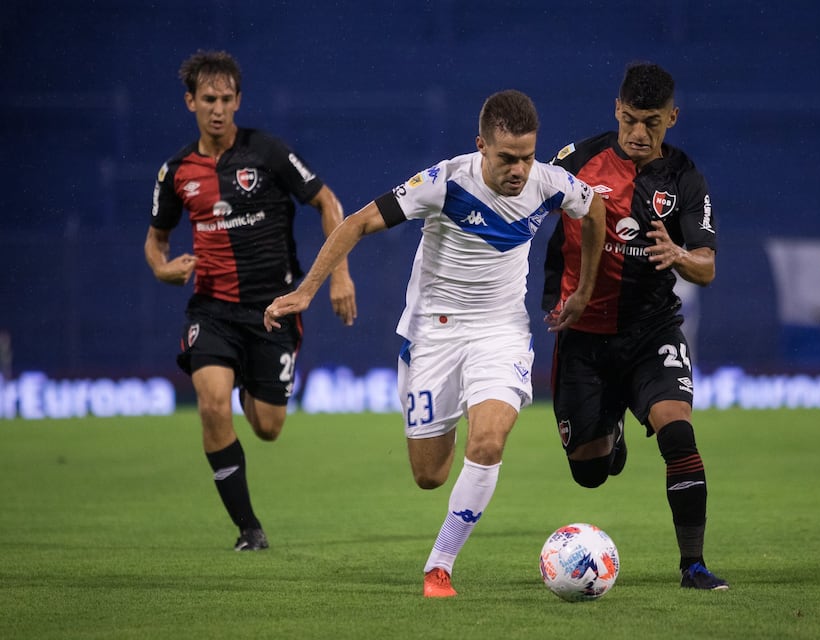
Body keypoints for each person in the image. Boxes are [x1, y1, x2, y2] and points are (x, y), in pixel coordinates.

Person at [264, 90, 606, 597]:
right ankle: (446, 414)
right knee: (430, 475)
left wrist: (584, 290)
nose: (519, 170)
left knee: (489, 441)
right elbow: (356, 223)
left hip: (501, 331)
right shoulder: (444, 183)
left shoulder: (549, 184)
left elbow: (595, 209)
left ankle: (439, 565)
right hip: (435, 333)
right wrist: (306, 291)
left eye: (527, 157)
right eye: (507, 158)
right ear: (481, 147)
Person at [144, 50, 356, 551]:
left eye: (226, 99)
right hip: (211, 310)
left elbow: (328, 202)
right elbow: (156, 238)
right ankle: (249, 529)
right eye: (207, 99)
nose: (217, 109)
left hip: (272, 310)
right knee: (212, 405)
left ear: (238, 100)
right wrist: (161, 268)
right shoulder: (176, 172)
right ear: (190, 101)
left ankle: (247, 381)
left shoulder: (269, 153)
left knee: (268, 427)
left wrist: (339, 276)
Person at [542, 62, 728, 590]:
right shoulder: (576, 160)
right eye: (630, 120)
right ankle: (610, 431)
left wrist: (679, 254)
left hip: (652, 330)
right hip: (583, 335)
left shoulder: (685, 179)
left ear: (672, 117)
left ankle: (692, 565)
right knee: (590, 472)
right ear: (616, 110)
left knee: (678, 429)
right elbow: (523, 211)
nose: (639, 134)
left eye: (651, 122)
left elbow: (707, 267)